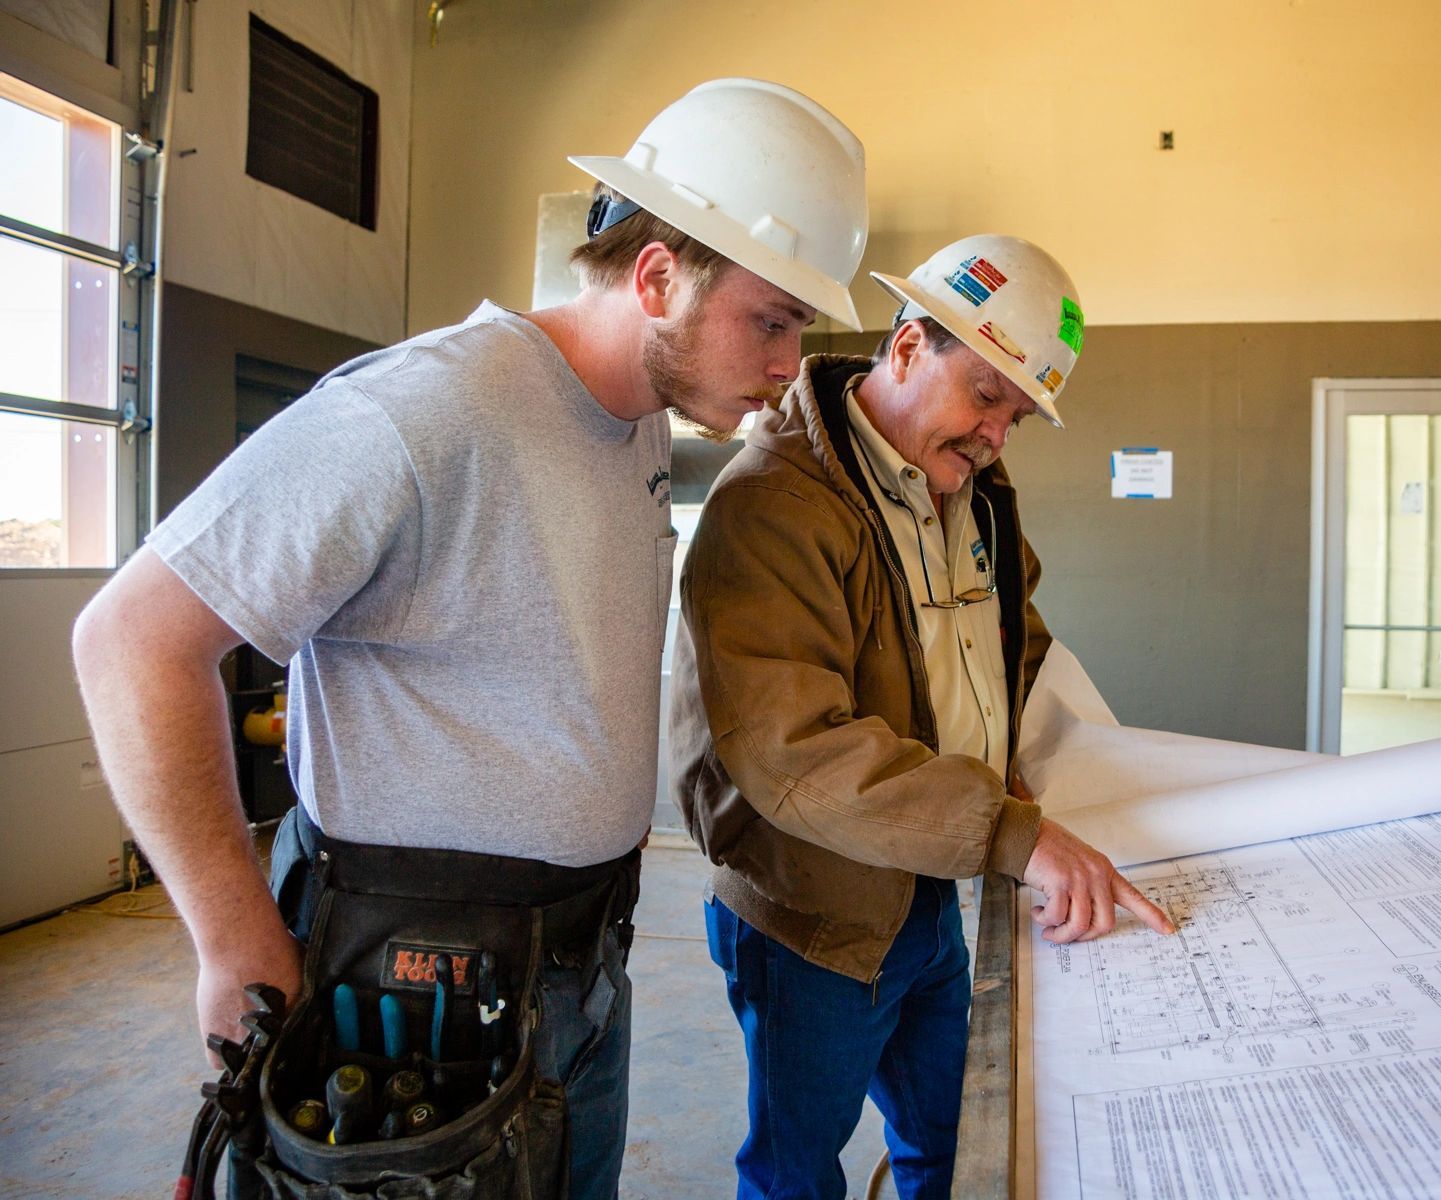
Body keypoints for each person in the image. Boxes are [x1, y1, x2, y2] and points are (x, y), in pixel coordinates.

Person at [71, 78, 868, 1198]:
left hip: (577, 964)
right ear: (656, 278)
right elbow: (130, 642)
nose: (791, 363)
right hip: (405, 982)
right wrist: (232, 938)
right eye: (772, 320)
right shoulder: (421, 414)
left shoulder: (635, 416)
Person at [668, 234, 1176, 1200]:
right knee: (796, 1174)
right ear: (906, 350)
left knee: (963, 1146)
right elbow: (794, 750)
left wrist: (1031, 776)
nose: (996, 435)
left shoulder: (971, 497)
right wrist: (1012, 832)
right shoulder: (775, 506)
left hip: (931, 894)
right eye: (987, 397)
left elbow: (1010, 649)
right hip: (811, 919)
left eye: (1018, 417)